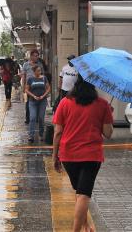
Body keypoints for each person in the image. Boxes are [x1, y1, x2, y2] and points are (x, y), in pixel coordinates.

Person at [52, 74, 113, 232]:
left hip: (69, 156)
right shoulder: (102, 104)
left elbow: (58, 132)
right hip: (91, 156)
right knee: (83, 194)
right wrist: (108, 115)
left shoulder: (65, 102)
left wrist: (55, 156)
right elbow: (108, 133)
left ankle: (85, 225)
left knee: (80, 192)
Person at [25, 65, 50, 143]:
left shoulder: (44, 78)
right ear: (34, 71)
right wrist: (33, 96)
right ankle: (31, 135)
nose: (40, 72)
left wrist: (43, 95)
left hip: (42, 101)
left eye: (40, 70)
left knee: (41, 118)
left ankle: (41, 134)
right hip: (32, 101)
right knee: (32, 117)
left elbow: (48, 88)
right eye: (38, 71)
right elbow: (26, 90)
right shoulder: (30, 79)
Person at [21, 49, 44, 124]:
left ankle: (36, 118)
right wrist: (23, 87)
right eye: (35, 56)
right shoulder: (26, 65)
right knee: (28, 103)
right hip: (29, 87)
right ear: (31, 56)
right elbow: (24, 76)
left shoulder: (40, 64)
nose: (36, 57)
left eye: (37, 56)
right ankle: (28, 118)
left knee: (38, 102)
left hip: (38, 86)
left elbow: (42, 75)